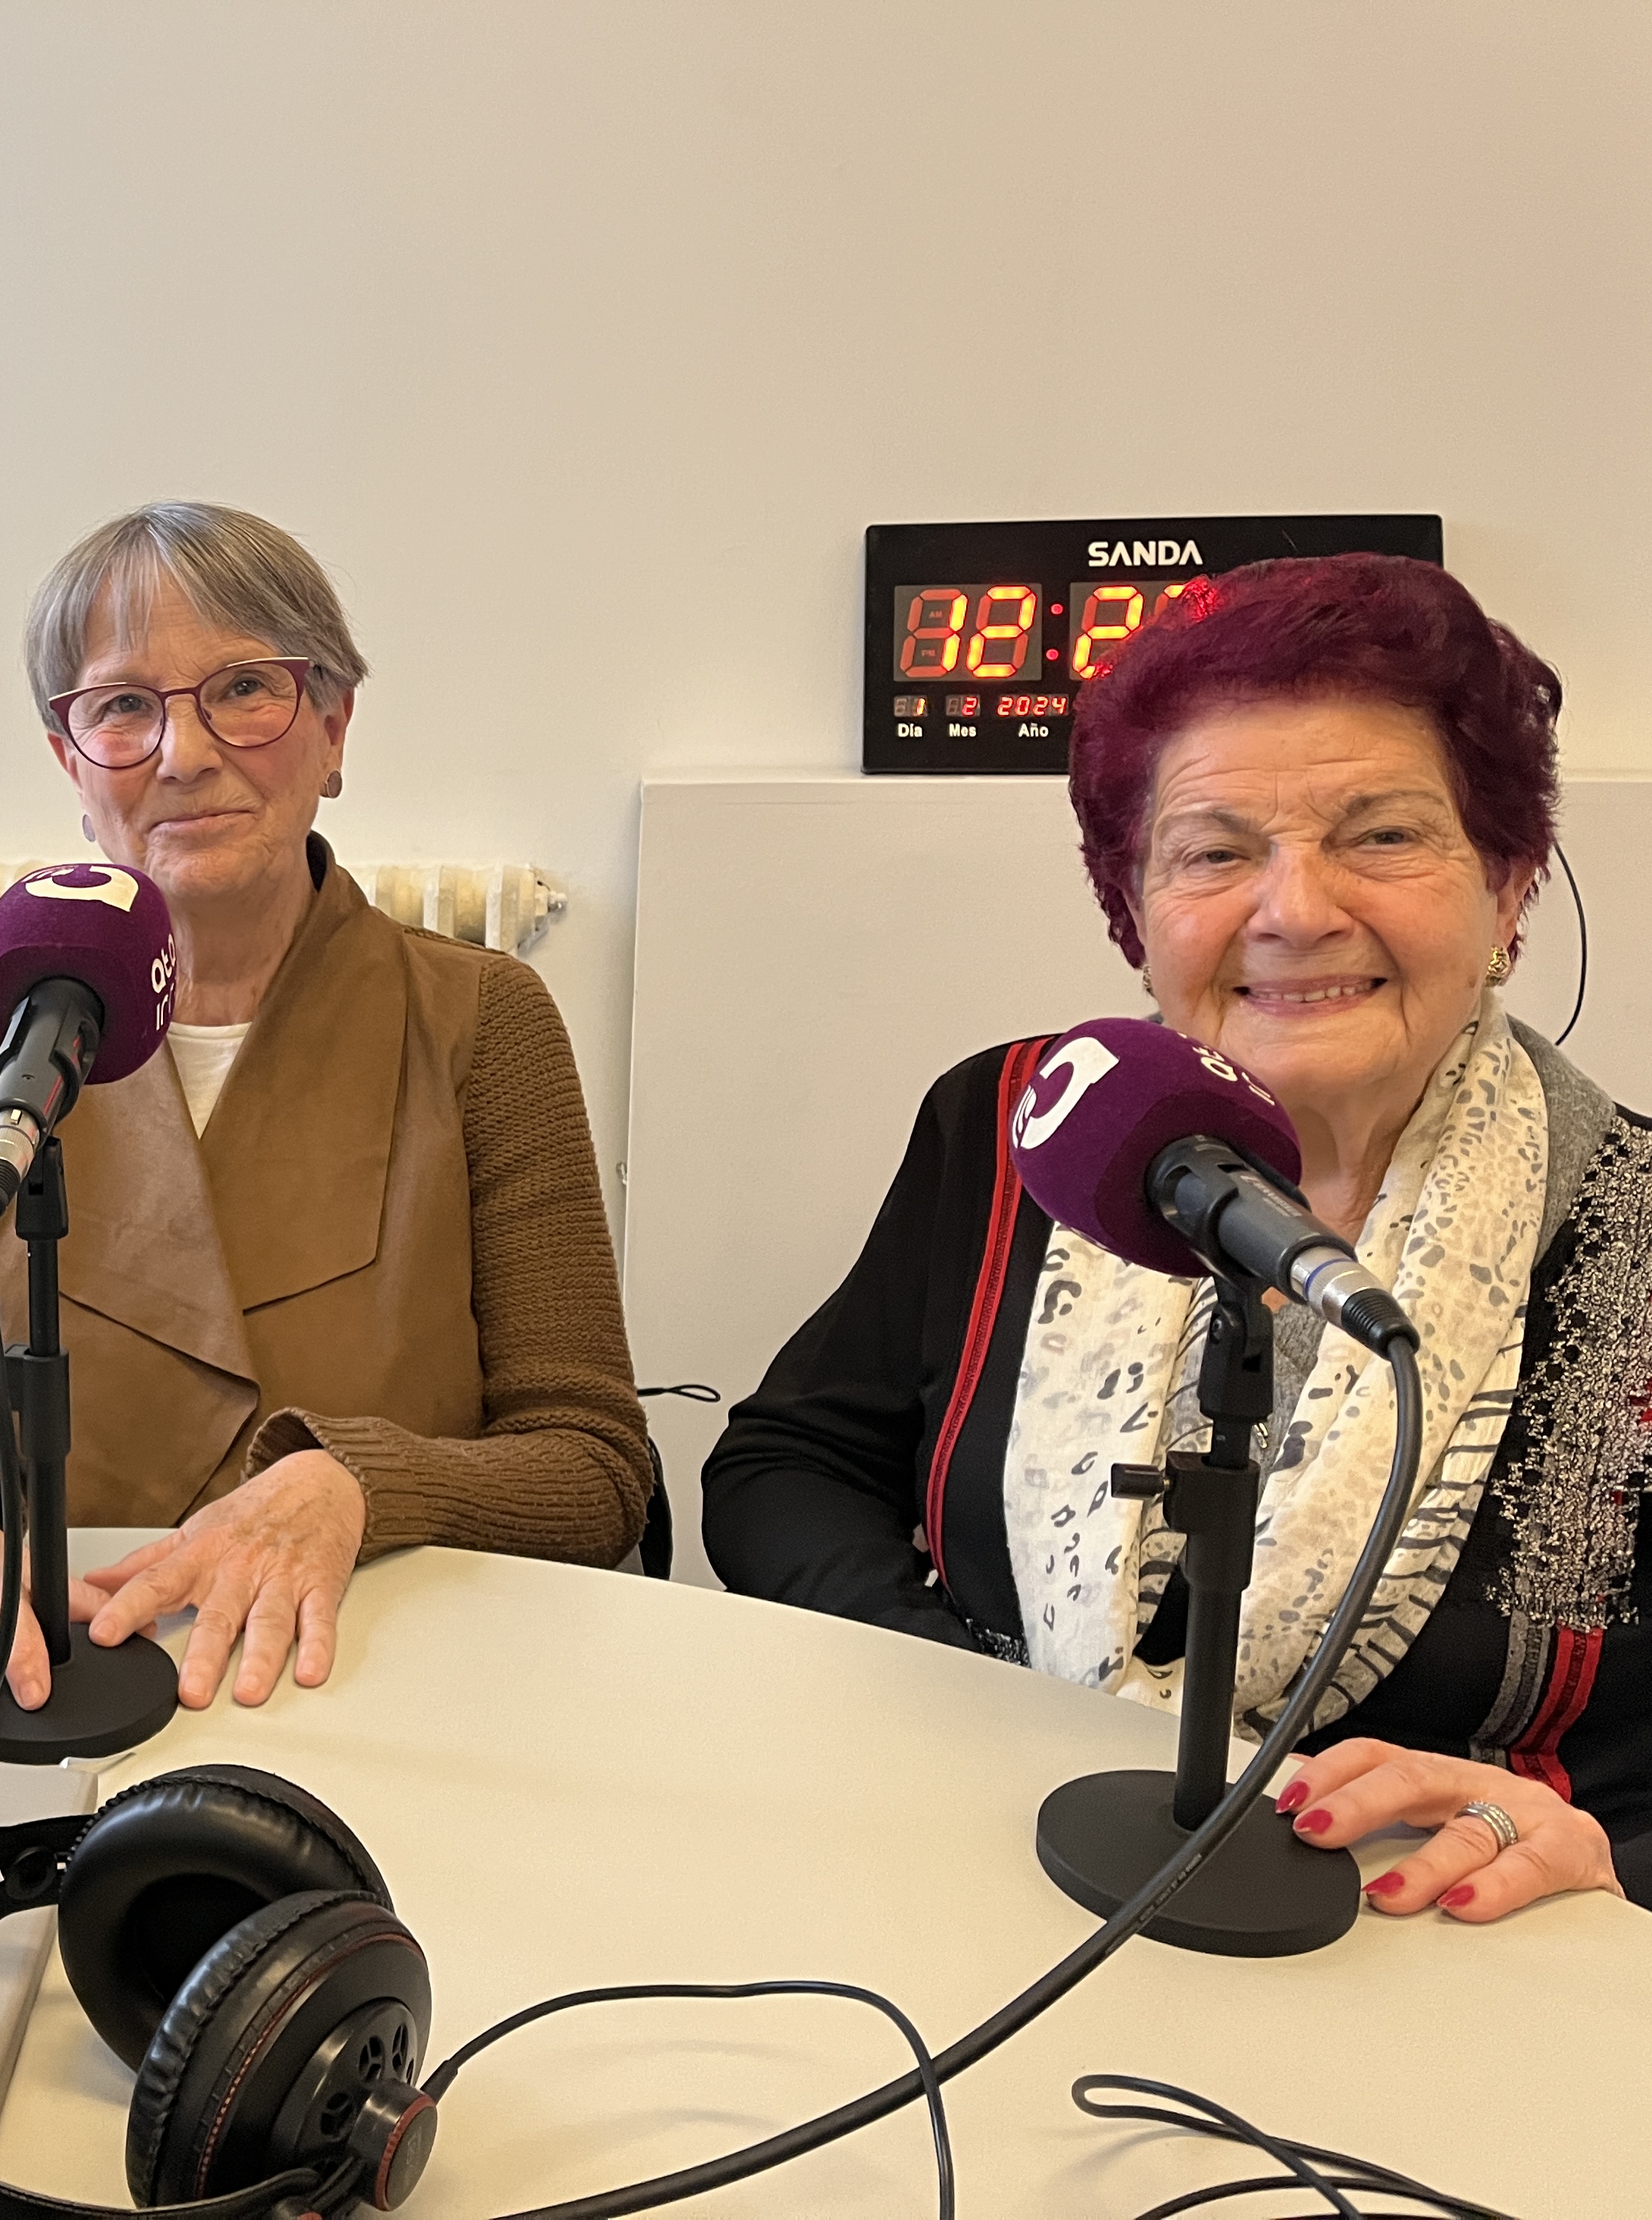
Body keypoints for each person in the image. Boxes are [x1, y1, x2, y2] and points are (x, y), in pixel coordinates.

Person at [704, 554, 1647, 1920]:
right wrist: (971, 1706)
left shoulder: (1636, 1232)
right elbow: (790, 1468)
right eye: (1215, 852)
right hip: (1001, 1876)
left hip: (1450, 1953)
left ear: (1506, 893)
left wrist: (1602, 1852)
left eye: (1382, 836)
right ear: (1135, 913)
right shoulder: (1020, 1124)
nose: (1296, 910)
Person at [0, 502, 645, 1757]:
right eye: (123, 707)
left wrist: (356, 1482)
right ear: (71, 762)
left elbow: (594, 1467)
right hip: (46, 1678)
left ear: (334, 727)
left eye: (244, 690)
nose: (183, 752)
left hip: (378, 1688)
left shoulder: (484, 1022)